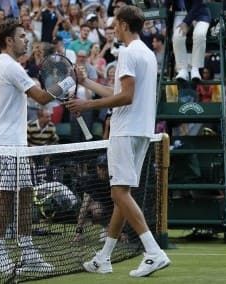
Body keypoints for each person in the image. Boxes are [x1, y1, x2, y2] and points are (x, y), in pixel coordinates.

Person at [65, 5, 171, 277]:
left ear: (124, 24)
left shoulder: (126, 52)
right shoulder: (146, 53)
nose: (113, 27)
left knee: (119, 194)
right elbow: (118, 92)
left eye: (115, 23)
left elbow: (125, 97)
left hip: (125, 130)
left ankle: (153, 251)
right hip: (141, 131)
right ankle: (104, 257)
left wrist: (86, 106)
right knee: (122, 195)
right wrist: (86, 82)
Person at [0, 18, 63, 275]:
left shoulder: (8, 66)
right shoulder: (9, 66)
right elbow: (41, 97)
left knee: (26, 192)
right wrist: (68, 82)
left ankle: (27, 250)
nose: (26, 39)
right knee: (5, 195)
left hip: (16, 143)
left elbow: (39, 92)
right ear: (9, 41)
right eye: (21, 36)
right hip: (5, 144)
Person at [168, 0, 211, 82]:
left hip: (200, 14)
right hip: (181, 15)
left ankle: (195, 69)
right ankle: (182, 70)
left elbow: (197, 5)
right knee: (177, 37)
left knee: (199, 34)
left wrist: (186, 22)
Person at [74, 154, 113, 243]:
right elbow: (84, 205)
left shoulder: (114, 180)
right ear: (97, 168)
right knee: (95, 209)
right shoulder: (92, 180)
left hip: (115, 209)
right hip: (102, 210)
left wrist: (123, 232)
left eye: (105, 168)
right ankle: (106, 227)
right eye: (100, 168)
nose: (102, 171)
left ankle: (113, 228)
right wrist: (78, 232)